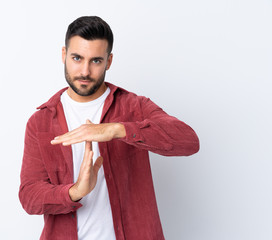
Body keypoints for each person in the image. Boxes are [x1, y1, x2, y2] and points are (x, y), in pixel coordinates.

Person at [19, 16, 199, 240]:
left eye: (95, 61)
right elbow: (29, 197)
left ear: (109, 61)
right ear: (64, 55)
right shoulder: (41, 122)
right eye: (77, 58)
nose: (85, 71)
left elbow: (188, 141)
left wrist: (116, 130)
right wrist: (75, 192)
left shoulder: (134, 106)